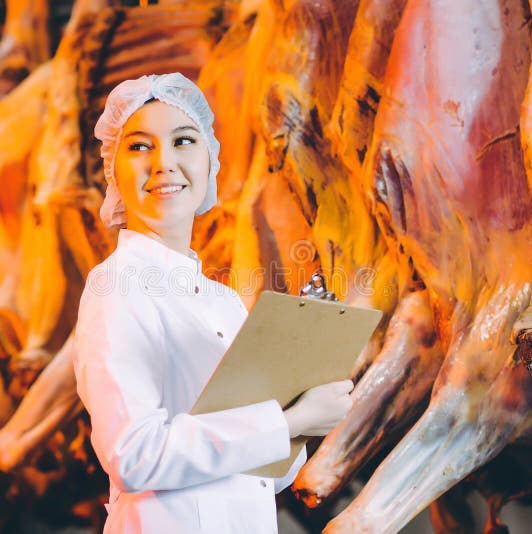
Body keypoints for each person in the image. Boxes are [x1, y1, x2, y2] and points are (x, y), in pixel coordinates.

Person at [73, 72, 354, 534]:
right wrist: (289, 421)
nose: (164, 163)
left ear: (210, 162)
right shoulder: (116, 286)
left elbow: (267, 475)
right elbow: (134, 456)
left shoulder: (223, 301)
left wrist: (305, 412)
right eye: (140, 146)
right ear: (114, 171)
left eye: (183, 140)